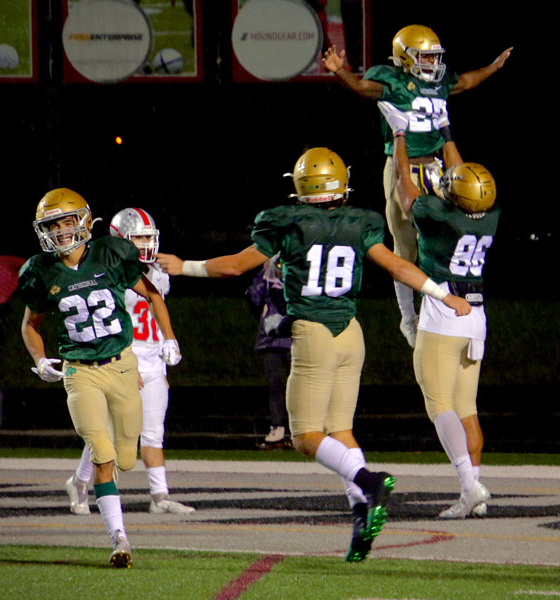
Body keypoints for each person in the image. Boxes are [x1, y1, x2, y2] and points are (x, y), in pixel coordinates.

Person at [156, 147, 472, 562]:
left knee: (304, 436)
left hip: (315, 333)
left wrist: (184, 267)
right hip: (351, 333)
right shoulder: (361, 222)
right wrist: (440, 292)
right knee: (339, 430)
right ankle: (361, 513)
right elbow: (396, 266)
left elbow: (235, 267)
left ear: (301, 184)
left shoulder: (287, 222)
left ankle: (368, 482)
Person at [19, 188, 182, 569]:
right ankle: (119, 538)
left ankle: (81, 484)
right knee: (102, 453)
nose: (59, 232)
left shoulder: (111, 253)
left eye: (65, 222)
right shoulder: (40, 271)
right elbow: (30, 325)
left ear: (83, 221)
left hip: (122, 364)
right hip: (79, 371)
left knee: (127, 457)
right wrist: (41, 360)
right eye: (52, 225)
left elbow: (153, 294)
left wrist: (169, 337)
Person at [323, 25, 511, 347]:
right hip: (402, 168)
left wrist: (493, 68)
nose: (431, 63)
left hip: (438, 168)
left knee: (445, 236)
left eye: (433, 57)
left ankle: (444, 303)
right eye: (424, 57)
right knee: (406, 247)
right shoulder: (393, 80)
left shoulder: (437, 83)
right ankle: (408, 317)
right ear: (404, 59)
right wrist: (342, 72)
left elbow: (465, 82)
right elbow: (363, 88)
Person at [389, 109, 500, 518]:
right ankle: (474, 491)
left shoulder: (437, 216)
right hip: (477, 316)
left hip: (443, 312)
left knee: (438, 404)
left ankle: (470, 488)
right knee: (466, 407)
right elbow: (463, 177)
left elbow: (405, 191)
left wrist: (400, 136)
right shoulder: (490, 214)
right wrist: (447, 132)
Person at [64, 207, 195, 517]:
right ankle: (80, 483)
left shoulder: (157, 272)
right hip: (122, 357)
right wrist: (128, 361)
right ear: (120, 239)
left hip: (153, 361)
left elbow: (155, 307)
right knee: (107, 430)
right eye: (138, 238)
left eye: (149, 238)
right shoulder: (106, 272)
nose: (146, 245)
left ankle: (159, 496)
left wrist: (168, 340)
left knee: (153, 432)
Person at [245, 254, 293, 449]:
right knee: (275, 385)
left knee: (296, 386)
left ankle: (298, 429)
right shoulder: (266, 279)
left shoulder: (298, 278)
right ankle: (278, 428)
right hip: (271, 340)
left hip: (292, 339)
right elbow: (252, 296)